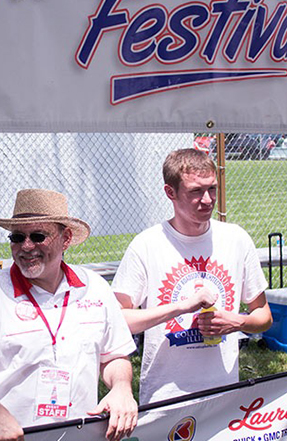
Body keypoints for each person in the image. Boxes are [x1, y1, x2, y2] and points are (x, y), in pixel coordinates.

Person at [0, 188, 138, 441]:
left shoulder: (95, 288)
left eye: (38, 236)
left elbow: (115, 355)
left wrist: (121, 388)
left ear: (66, 238)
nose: (27, 246)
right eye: (17, 237)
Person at [111, 148, 272, 405]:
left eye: (212, 189)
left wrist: (238, 322)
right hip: (165, 399)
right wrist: (180, 308)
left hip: (224, 397)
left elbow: (263, 315)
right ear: (170, 193)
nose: (207, 200)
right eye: (196, 191)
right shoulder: (147, 245)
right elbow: (117, 320)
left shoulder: (236, 240)